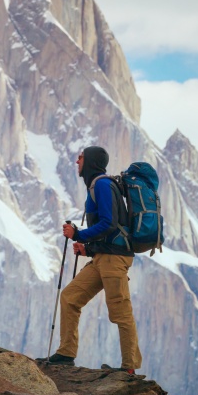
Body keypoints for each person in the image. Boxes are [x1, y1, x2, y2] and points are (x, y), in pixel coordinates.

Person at [44, 145, 142, 373]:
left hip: (114, 260)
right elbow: (109, 229)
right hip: (103, 258)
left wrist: (78, 235)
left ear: (91, 162)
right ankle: (66, 353)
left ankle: (129, 368)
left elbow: (109, 223)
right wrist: (87, 249)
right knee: (70, 297)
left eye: (81, 158)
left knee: (120, 311)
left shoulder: (103, 185)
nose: (77, 162)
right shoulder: (97, 186)